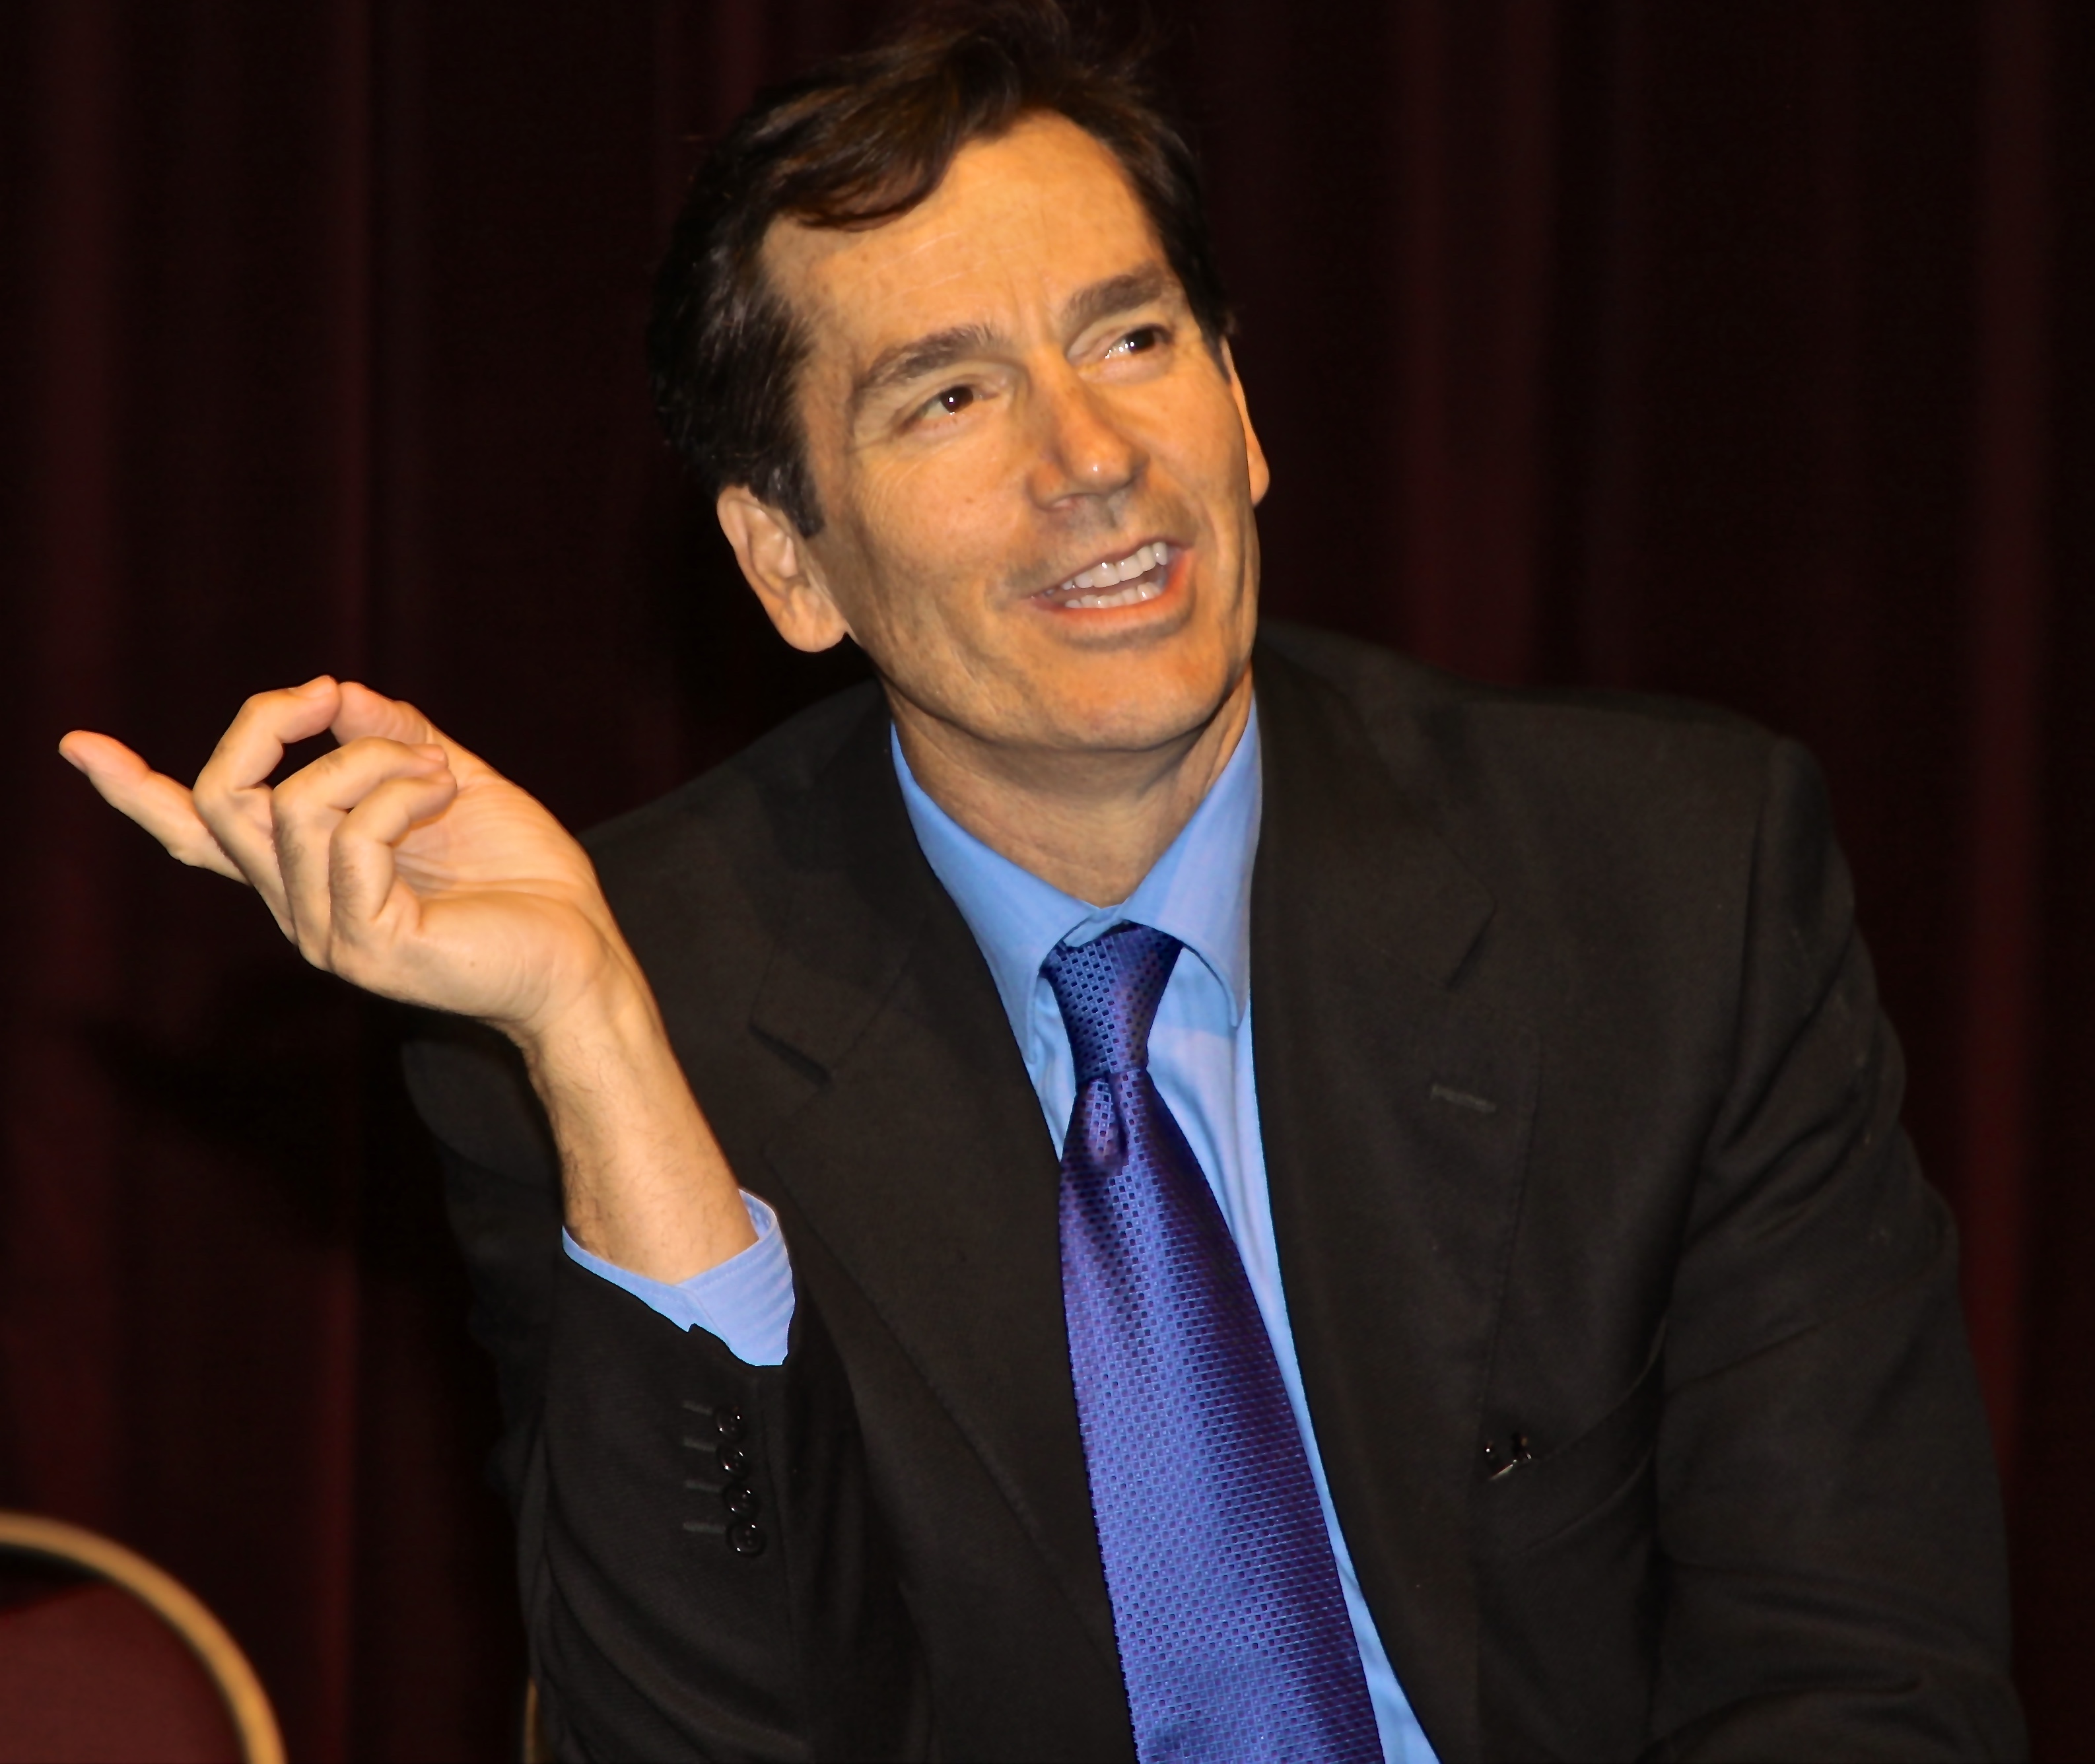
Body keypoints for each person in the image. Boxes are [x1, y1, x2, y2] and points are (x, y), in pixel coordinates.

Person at [59, 5, 2022, 1759]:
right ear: (789, 565)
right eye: (950, 395)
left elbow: (1869, 1679)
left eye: (1131, 338)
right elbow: (720, 1737)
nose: (1090, 457)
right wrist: (596, 1043)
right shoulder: (634, 993)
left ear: (1241, 409)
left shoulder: (1668, 883)